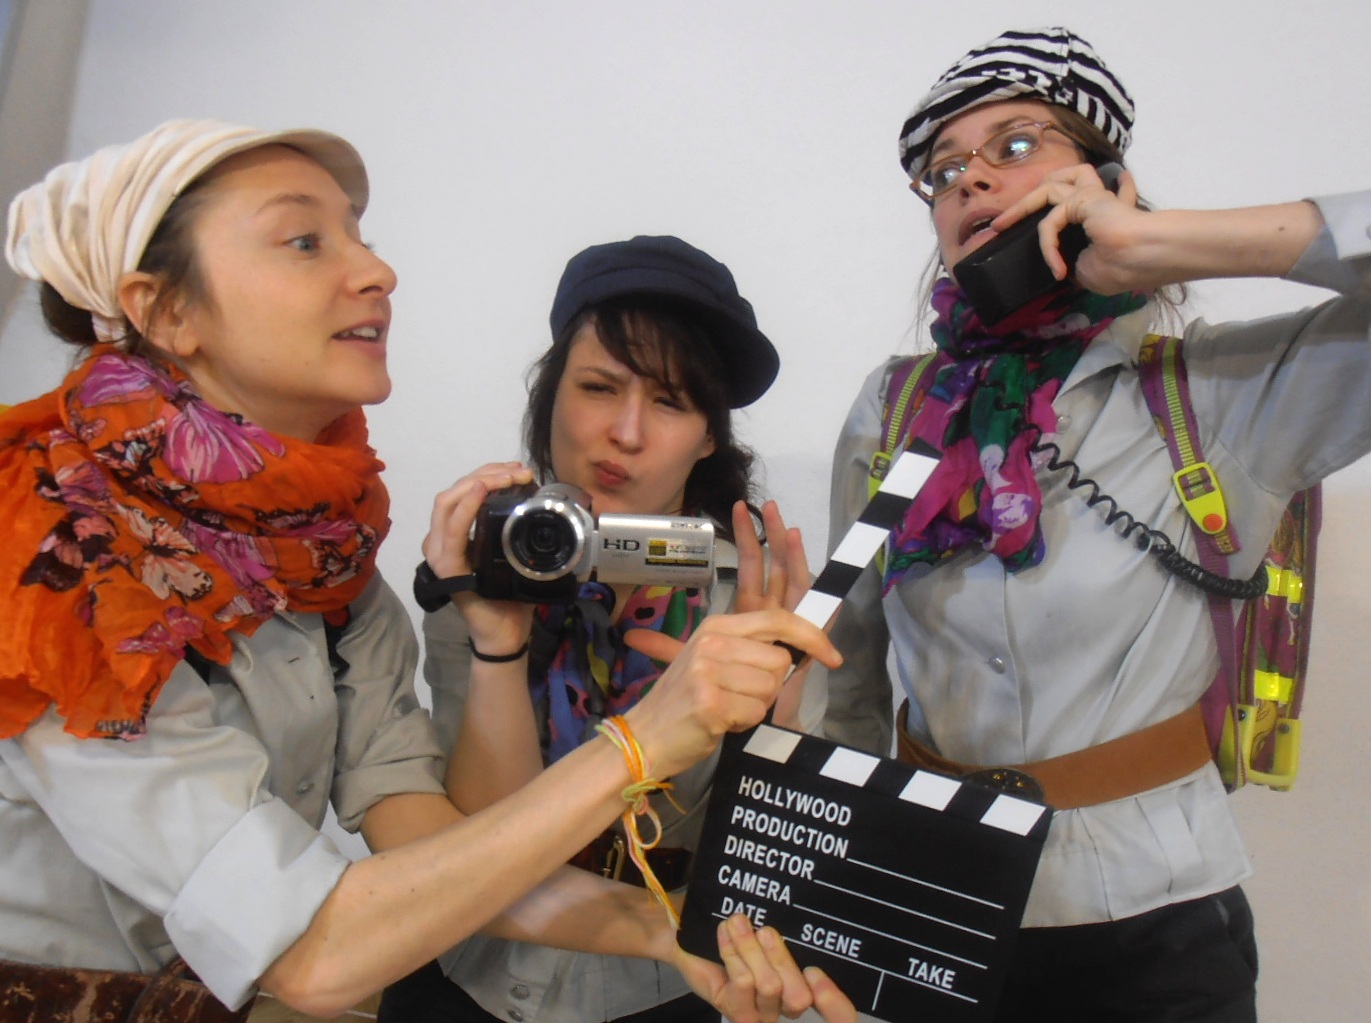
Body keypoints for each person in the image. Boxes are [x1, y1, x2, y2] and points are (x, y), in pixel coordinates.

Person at [0, 119, 854, 1023]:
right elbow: (315, 952)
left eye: (359, 234)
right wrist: (641, 735)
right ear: (165, 310)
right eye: (304, 240)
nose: (379, 271)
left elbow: (429, 837)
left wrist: (667, 928)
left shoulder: (325, 559)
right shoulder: (56, 558)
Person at [820, 25, 1371, 1022]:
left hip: (1157, 926)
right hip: (938, 906)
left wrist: (1161, 243)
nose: (969, 180)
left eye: (1014, 144)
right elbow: (844, 672)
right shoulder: (893, 411)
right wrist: (840, 879)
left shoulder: (1219, 390)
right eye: (943, 171)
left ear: (1103, 175)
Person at [381, 234, 817, 1023]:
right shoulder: (487, 561)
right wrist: (497, 639)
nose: (625, 431)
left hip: (655, 985)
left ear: (708, 435)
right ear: (550, 396)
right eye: (597, 386)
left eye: (669, 402)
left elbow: (778, 858)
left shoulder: (750, 602)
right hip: (466, 963)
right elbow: (487, 838)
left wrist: (776, 728)